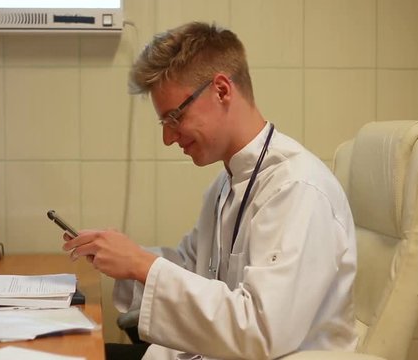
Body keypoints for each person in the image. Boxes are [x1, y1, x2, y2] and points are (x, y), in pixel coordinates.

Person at [62, 22, 357, 360]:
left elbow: (262, 332)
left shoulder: (297, 190)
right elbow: (195, 267)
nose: (168, 138)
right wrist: (123, 259)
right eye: (164, 123)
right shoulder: (226, 183)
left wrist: (141, 264)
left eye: (175, 117)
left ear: (221, 90)